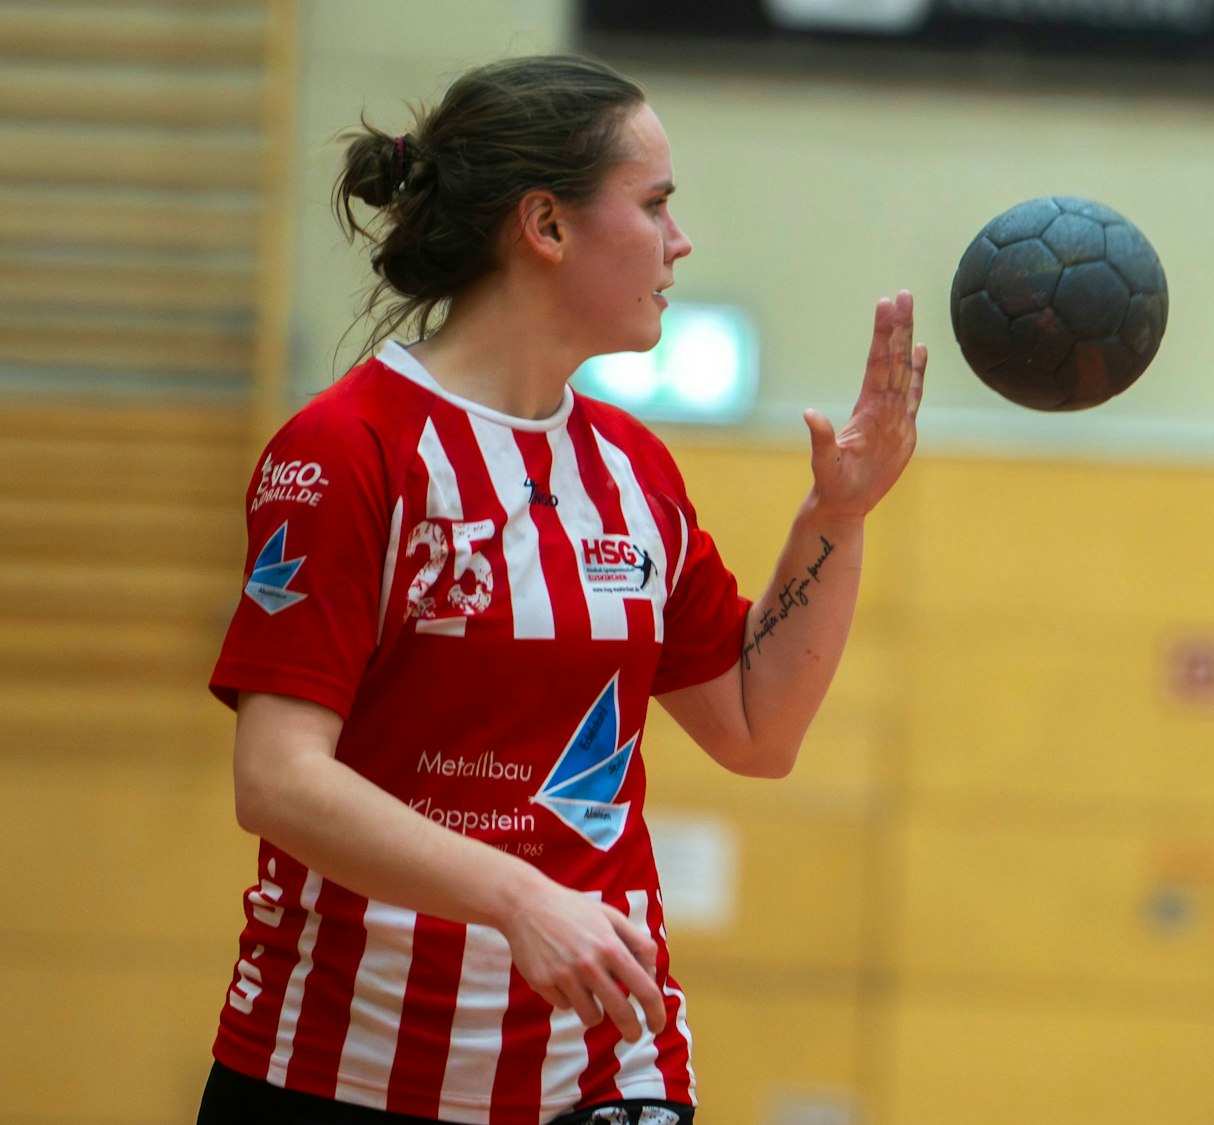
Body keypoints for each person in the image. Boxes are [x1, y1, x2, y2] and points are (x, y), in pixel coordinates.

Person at [198, 55, 925, 1125]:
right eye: (656, 204)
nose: (681, 242)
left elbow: (756, 728)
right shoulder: (349, 450)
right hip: (336, 1063)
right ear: (544, 225)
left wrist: (839, 518)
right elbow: (276, 781)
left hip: (598, 1070)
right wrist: (521, 895)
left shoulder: (634, 471)